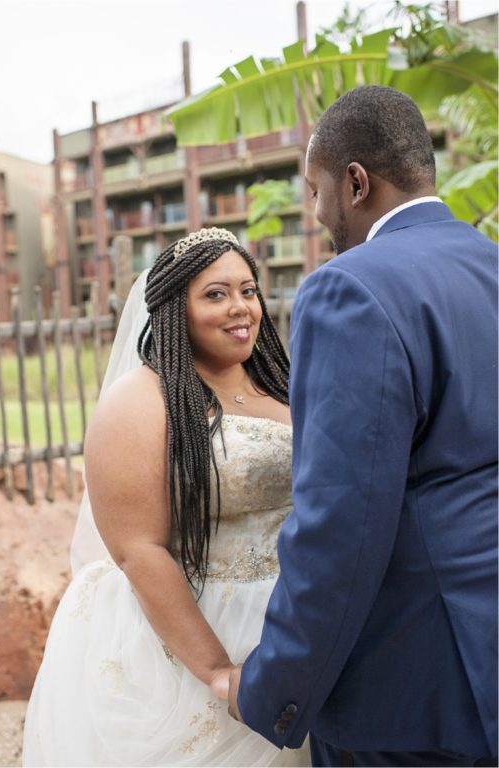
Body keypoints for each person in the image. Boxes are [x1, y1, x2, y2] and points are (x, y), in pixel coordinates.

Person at [227, 85, 498, 767]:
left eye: (315, 190)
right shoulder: (489, 264)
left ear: (355, 182)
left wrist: (273, 690)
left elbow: (340, 525)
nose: (317, 213)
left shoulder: (350, 288)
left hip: (413, 687)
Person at [22, 228, 306, 766]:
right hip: (194, 628)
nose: (240, 307)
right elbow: (138, 548)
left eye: (248, 290)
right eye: (216, 294)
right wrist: (219, 672)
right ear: (176, 310)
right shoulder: (138, 403)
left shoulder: (285, 386)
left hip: (294, 623)